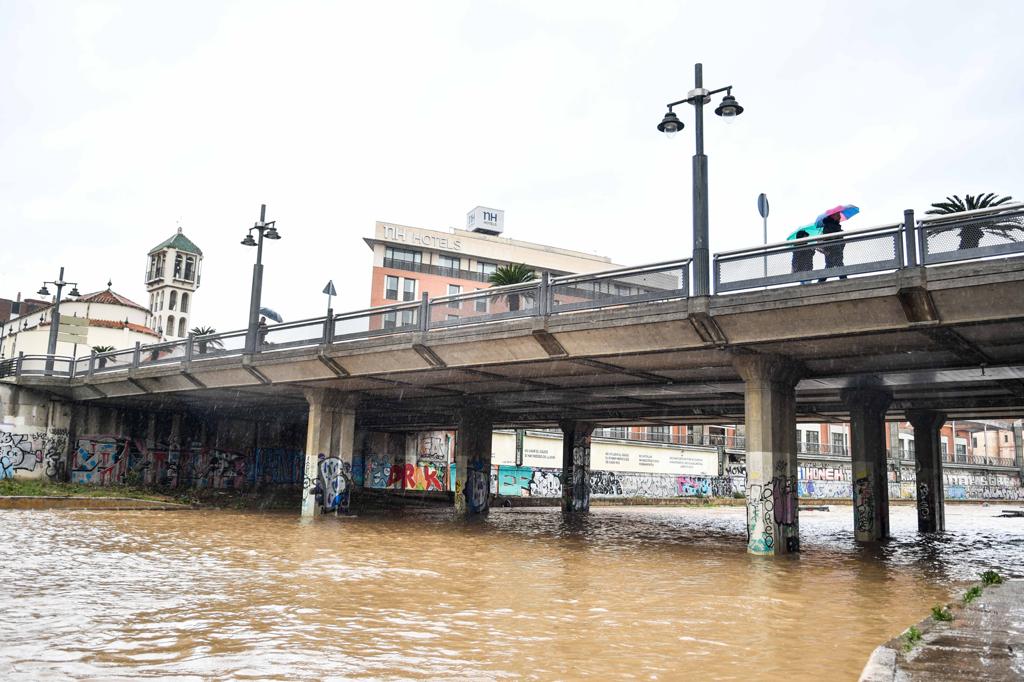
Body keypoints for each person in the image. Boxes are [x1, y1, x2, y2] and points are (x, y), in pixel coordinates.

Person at [818, 214, 847, 282]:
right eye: (838, 215)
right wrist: (839, 233)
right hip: (833, 249)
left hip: (835, 249)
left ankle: (820, 281)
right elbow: (829, 238)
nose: (840, 217)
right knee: (838, 264)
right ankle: (845, 280)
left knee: (830, 266)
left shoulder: (833, 225)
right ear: (833, 216)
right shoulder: (829, 226)